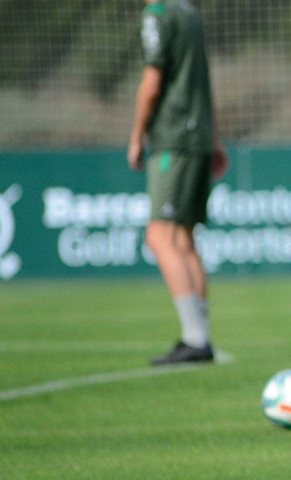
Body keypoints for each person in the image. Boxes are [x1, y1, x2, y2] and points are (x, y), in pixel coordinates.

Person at [128, 0, 228, 365]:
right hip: (197, 135)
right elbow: (201, 82)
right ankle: (200, 337)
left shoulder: (158, 14)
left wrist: (137, 135)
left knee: (159, 235)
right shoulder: (188, 13)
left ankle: (195, 338)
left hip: (173, 138)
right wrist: (213, 138)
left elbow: (153, 82)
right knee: (183, 238)